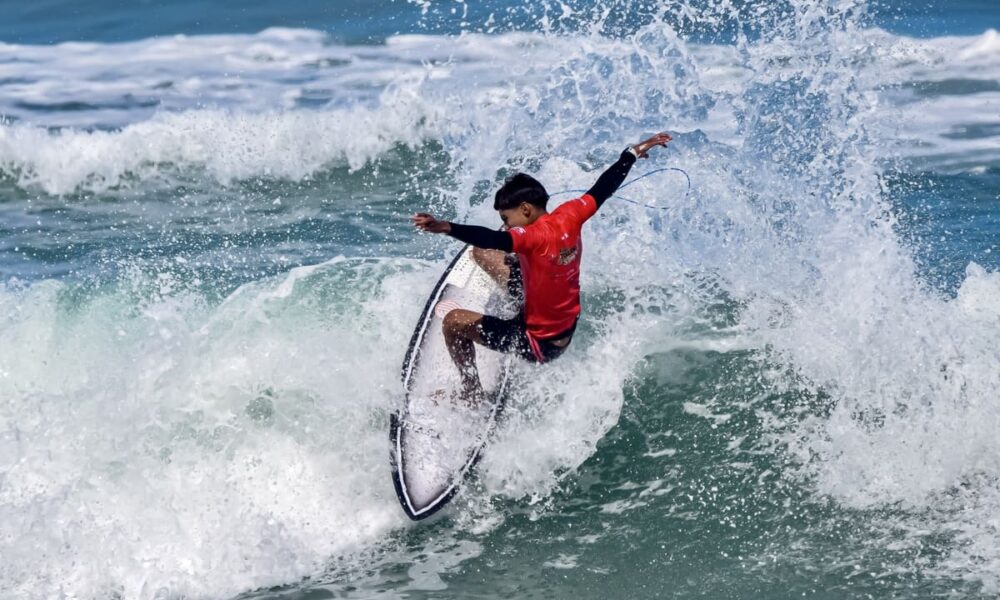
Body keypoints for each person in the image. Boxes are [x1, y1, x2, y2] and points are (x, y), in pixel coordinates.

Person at [411, 132, 672, 401]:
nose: (507, 224)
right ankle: (519, 305)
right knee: (482, 254)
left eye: (506, 217)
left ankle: (471, 392)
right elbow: (604, 187)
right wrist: (631, 153)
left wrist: (447, 227)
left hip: (537, 344)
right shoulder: (571, 214)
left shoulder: (532, 237)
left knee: (453, 322)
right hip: (564, 326)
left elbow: (493, 237)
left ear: (525, 209)